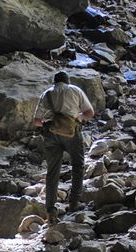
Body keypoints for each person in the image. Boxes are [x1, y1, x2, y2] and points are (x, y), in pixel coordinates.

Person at [32, 71, 94, 223]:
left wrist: (50, 123)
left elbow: (37, 121)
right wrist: (78, 117)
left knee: (52, 171)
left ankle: (51, 212)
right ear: (68, 81)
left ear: (54, 82)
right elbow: (89, 112)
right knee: (78, 166)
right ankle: (74, 203)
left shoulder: (46, 94)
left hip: (51, 135)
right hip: (71, 133)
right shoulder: (75, 90)